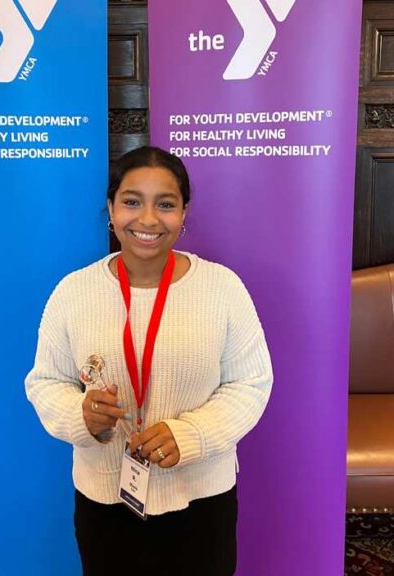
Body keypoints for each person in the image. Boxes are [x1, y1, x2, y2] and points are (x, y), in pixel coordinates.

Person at [24, 146, 273, 575]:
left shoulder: (223, 289)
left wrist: (190, 435)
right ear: (111, 208)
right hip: (105, 499)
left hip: (201, 499)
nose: (148, 219)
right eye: (132, 201)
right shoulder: (73, 292)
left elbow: (250, 383)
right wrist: (81, 415)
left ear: (184, 212)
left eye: (166, 204)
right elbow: (46, 382)